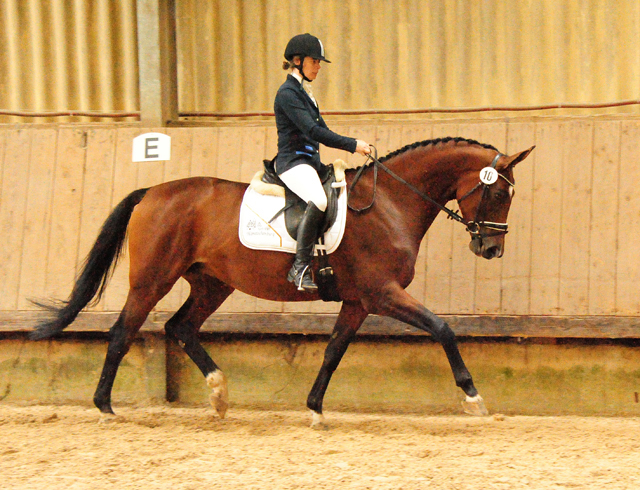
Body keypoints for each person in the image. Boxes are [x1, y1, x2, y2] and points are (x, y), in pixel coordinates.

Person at [274, 33, 371, 292]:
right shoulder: (287, 94)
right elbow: (314, 132)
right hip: (293, 162)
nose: (318, 67)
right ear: (298, 60)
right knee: (318, 200)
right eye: (314, 61)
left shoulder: (306, 94)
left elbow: (323, 130)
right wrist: (353, 144)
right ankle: (300, 266)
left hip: (310, 162)